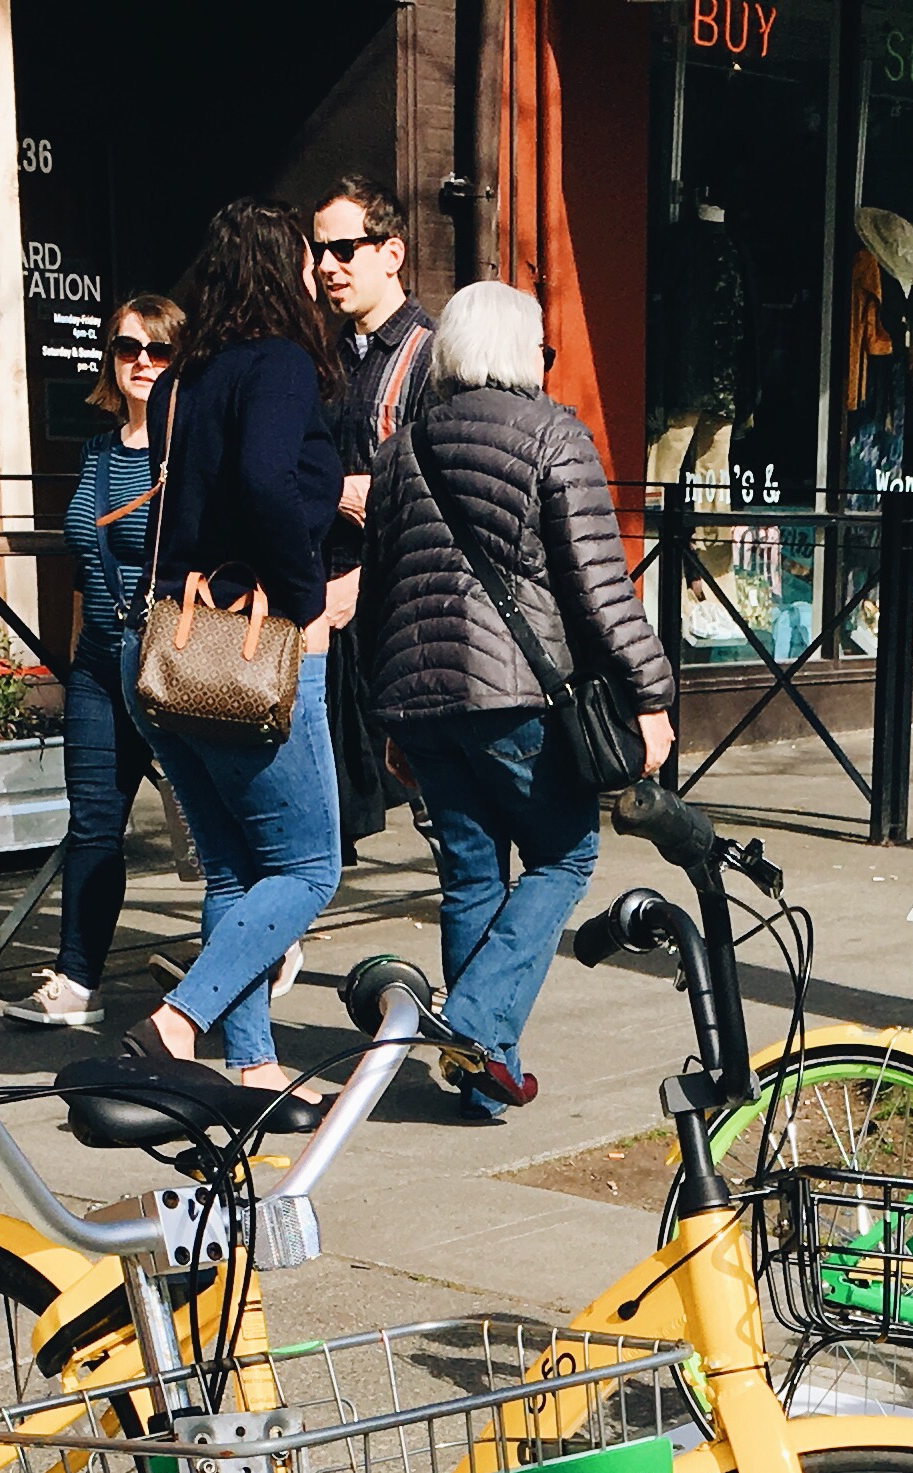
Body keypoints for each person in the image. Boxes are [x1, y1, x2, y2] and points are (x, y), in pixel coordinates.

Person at [365, 279, 675, 1124]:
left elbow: (380, 595)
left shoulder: (400, 452)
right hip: (518, 696)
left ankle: (481, 1077)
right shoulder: (553, 436)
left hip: (421, 698)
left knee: (471, 874)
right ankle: (472, 1025)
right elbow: (602, 590)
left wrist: (385, 714)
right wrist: (652, 695)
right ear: (525, 351)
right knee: (565, 858)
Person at [130, 196, 344, 1088]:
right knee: (308, 869)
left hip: (175, 647)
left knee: (234, 869)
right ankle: (181, 1020)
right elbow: (263, 482)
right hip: (253, 645)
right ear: (277, 269)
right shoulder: (281, 364)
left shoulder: (184, 380)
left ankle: (253, 1065)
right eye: (305, 259)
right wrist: (304, 597)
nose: (316, 275)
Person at [6, 292, 177, 1032]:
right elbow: (85, 563)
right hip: (100, 672)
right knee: (94, 822)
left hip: (172, 669)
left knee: (209, 830)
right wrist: (78, 659)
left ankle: (261, 949)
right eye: (129, 349)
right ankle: (77, 982)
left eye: (161, 350)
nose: (143, 363)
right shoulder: (99, 451)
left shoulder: (189, 450)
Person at [311, 177, 434, 861]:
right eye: (320, 250)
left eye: (345, 248)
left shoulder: (428, 352)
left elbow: (445, 474)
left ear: (392, 253)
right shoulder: (327, 353)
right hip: (325, 595)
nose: (329, 265)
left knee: (433, 787)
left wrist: (375, 490)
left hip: (401, 601)